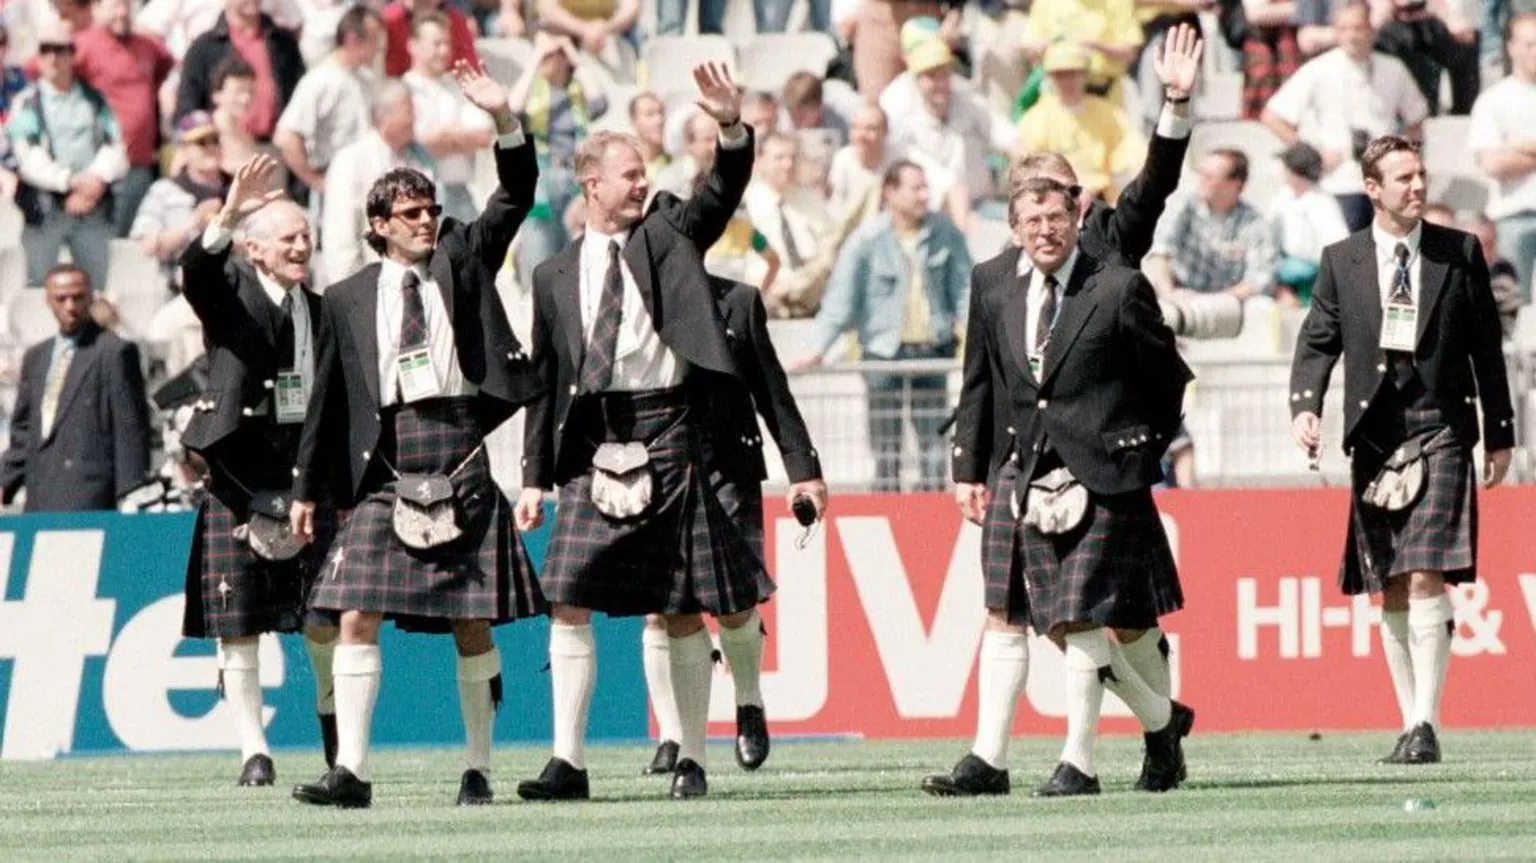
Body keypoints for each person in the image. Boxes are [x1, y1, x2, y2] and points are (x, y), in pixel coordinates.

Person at [513, 64, 804, 803]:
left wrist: (732, 130)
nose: (640, 184)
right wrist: (534, 477)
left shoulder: (669, 232)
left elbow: (721, 191)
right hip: (594, 441)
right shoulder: (551, 275)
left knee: (679, 602)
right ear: (591, 185)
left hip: (670, 427)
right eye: (627, 175)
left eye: (644, 173)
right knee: (567, 594)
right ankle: (567, 762)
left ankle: (692, 758)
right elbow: (547, 384)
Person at [289, 62, 545, 809]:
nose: (426, 220)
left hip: (457, 445)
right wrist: (308, 487)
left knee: (471, 618)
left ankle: (479, 767)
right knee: (355, 613)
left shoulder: (464, 258)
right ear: (377, 224)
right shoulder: (344, 298)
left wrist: (505, 119)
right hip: (388, 460)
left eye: (430, 208)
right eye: (409, 213)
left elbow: (516, 194)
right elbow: (327, 401)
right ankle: (354, 772)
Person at [928, 176, 1192, 799]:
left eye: (1055, 217)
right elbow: (980, 381)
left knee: (1079, 620)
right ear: (1015, 230)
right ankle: (996, 760)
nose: (1045, 230)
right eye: (1031, 220)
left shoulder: (1118, 286)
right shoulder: (996, 288)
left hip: (1099, 472)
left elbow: (1168, 381)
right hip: (1019, 471)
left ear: (1077, 218)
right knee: (1011, 614)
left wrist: (1135, 450)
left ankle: (1081, 763)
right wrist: (969, 467)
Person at [1288, 135, 1514, 765]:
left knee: (1424, 570)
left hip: (1441, 425)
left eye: (1420, 175)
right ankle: (1409, 718)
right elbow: (1317, 342)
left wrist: (1500, 432)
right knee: (1386, 582)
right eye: (1403, 179)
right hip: (1375, 435)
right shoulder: (1342, 259)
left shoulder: (1458, 251)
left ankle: (1425, 722)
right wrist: (1305, 406)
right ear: (1372, 189)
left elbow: (1486, 351)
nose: (1416, 187)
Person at [174, 155, 338, 788]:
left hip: (302, 481)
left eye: (306, 237)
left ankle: (331, 717)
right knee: (238, 627)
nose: (301, 246)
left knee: (324, 620)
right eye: (288, 238)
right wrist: (228, 213)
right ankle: (253, 751)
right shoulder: (231, 293)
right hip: (238, 481)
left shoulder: (323, 311)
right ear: (256, 250)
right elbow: (195, 273)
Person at [639, 273, 829, 776]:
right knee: (661, 607)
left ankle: (748, 700)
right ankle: (674, 734)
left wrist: (804, 469)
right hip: (651, 471)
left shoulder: (738, 302)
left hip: (728, 466)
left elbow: (771, 389)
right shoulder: (626, 299)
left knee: (735, 601)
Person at [795, 161, 971, 492]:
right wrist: (817, 349)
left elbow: (965, 291)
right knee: (885, 445)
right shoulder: (867, 239)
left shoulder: (945, 232)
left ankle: (929, 513)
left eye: (925, 187)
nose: (924, 195)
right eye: (915, 188)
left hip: (933, 351)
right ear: (890, 192)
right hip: (883, 353)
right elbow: (841, 299)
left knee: (935, 444)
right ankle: (887, 502)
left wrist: (980, 337)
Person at [1261, 1, 1428, 231]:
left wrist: (1403, 157)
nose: (1352, 36)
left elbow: (1416, 117)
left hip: (1385, 182)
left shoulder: (1393, 68)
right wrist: (1313, 154)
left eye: (1358, 28)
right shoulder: (1319, 69)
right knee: (1349, 256)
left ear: (1371, 28)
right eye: (1344, 29)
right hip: (1340, 183)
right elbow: (1273, 116)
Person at [0, 264, 149, 512]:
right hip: (40, 495)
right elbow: (25, 432)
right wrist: (6, 480)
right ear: (48, 300)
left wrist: (132, 495)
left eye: (78, 297)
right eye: (61, 298)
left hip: (91, 496)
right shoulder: (36, 357)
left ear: (90, 296)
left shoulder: (113, 352)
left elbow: (130, 432)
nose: (70, 306)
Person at [7, 22, 127, 292]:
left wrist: (95, 181)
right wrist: (70, 182)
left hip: (92, 208)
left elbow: (116, 145)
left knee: (95, 290)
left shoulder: (95, 100)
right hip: (45, 212)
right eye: (45, 50)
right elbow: (26, 156)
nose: (52, 57)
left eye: (59, 49)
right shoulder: (27, 102)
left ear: (72, 55)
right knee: (39, 289)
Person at [508, 32, 608, 289]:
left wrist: (573, 54)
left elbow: (600, 103)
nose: (551, 58)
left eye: (556, 53)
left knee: (578, 263)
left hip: (576, 178)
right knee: (539, 257)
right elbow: (511, 110)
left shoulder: (577, 91)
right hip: (542, 179)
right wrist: (536, 58)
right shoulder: (533, 91)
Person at [70, 0, 176, 237]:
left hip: (140, 165)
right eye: (114, 6)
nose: (121, 13)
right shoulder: (82, 44)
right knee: (100, 250)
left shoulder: (147, 45)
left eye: (125, 6)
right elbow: (44, 73)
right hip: (98, 170)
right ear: (96, 8)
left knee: (135, 248)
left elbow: (167, 67)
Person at [320, 82, 434, 284]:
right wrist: (350, 292)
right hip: (368, 285)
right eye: (408, 111)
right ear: (383, 117)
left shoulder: (419, 159)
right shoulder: (351, 160)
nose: (413, 119)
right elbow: (341, 237)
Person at [273, 6, 382, 214]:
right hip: (334, 185)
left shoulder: (367, 80)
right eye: (373, 40)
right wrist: (315, 181)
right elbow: (286, 137)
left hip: (368, 183)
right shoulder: (319, 80)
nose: (378, 48)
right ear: (351, 39)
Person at [1016, 42, 1144, 206]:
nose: (1067, 80)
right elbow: (1028, 172)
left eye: (1073, 73)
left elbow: (1134, 156)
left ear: (1084, 74)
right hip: (1055, 205)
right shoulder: (1034, 119)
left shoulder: (1109, 113)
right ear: (1049, 77)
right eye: (1060, 74)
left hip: (1102, 201)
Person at [1467, 11, 1536, 301]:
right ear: (1510, 47)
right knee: (1514, 304)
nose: (1535, 51)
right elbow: (1493, 164)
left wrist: (1518, 147)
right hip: (1513, 216)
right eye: (1529, 44)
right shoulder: (1493, 100)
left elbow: (1506, 158)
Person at [1146, 150, 1278, 300]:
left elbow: (1260, 280)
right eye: (1201, 174)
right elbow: (1159, 252)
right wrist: (1168, 293)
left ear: (1234, 184)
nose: (1200, 180)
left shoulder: (1254, 223)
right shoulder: (1182, 204)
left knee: (1262, 305)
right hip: (1178, 293)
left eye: (1209, 177)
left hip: (1227, 303)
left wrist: (1211, 302)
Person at [403, 12, 495, 225]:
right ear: (413, 45)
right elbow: (419, 144)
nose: (444, 51)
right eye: (436, 44)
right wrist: (459, 139)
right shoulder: (405, 90)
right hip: (420, 196)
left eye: (447, 43)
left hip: (462, 190)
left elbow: (482, 136)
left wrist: (445, 138)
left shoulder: (457, 86)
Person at [173, 0, 306, 146]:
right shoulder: (205, 47)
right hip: (224, 151)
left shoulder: (283, 43)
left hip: (275, 148)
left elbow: (300, 95)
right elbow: (188, 107)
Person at [131, 111, 231, 290]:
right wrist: (193, 225)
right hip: (179, 291)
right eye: (201, 142)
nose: (210, 148)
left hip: (232, 290)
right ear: (184, 149)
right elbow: (148, 246)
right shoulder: (163, 191)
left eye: (214, 140)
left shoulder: (237, 189)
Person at [1271, 141, 1350, 306]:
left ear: (1295, 172)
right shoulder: (1283, 196)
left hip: (1312, 275)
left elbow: (1337, 246)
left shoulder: (1322, 203)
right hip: (1285, 266)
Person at [381, 0, 479, 77]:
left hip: (448, 91)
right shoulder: (389, 20)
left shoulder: (456, 20)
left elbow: (470, 71)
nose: (444, 51)